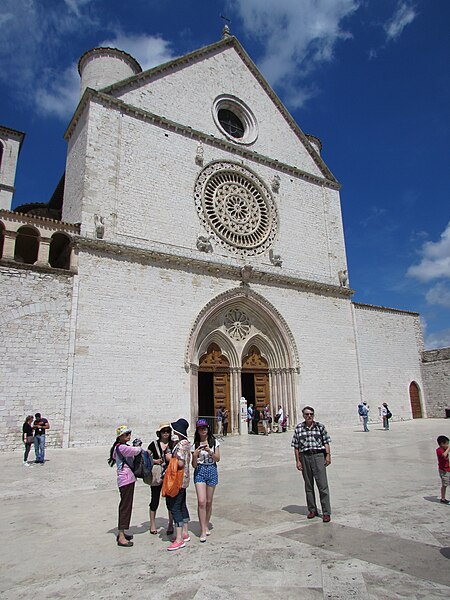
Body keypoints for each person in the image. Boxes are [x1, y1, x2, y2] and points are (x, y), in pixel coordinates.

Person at [291, 406, 332, 523]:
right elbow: (296, 446)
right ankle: (312, 510)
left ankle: (326, 512)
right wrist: (297, 461)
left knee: (322, 485)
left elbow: (326, 441)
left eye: (311, 414)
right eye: (307, 414)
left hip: (318, 456)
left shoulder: (320, 427)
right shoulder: (299, 428)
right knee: (308, 485)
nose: (309, 416)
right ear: (303, 415)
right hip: (305, 457)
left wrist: (328, 455)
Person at [108, 425, 143, 547]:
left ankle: (122, 532)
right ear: (120, 437)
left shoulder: (117, 448)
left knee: (125, 505)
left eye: (129, 433)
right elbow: (136, 451)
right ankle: (121, 537)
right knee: (125, 507)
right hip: (126, 480)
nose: (129, 436)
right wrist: (138, 445)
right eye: (126, 434)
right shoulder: (122, 448)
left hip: (124, 480)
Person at [192, 418, 220, 542]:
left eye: (204, 428)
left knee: (209, 501)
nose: (202, 430)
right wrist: (194, 455)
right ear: (197, 431)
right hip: (200, 472)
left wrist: (210, 451)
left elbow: (218, 459)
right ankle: (202, 529)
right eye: (200, 429)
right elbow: (193, 465)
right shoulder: (195, 445)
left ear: (208, 429)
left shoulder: (215, 442)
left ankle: (206, 523)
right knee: (201, 501)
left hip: (212, 471)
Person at [166, 418, 191, 551]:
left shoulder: (181, 445)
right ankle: (185, 533)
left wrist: (169, 457)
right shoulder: (186, 443)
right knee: (182, 505)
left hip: (178, 480)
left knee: (175, 508)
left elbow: (180, 463)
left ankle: (179, 539)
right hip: (185, 480)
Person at [148, 422, 174, 535]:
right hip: (157, 476)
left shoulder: (173, 444)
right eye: (164, 431)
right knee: (154, 500)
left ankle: (170, 524)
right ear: (159, 433)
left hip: (169, 475)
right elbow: (146, 458)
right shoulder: (153, 444)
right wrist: (155, 461)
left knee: (170, 501)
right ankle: (152, 524)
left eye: (168, 431)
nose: (166, 433)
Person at [436, 435, 450, 504]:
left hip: (448, 469)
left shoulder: (444, 449)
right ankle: (443, 499)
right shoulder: (439, 450)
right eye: (446, 443)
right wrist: (448, 448)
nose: (447, 445)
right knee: (445, 484)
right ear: (442, 444)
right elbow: (444, 455)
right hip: (443, 471)